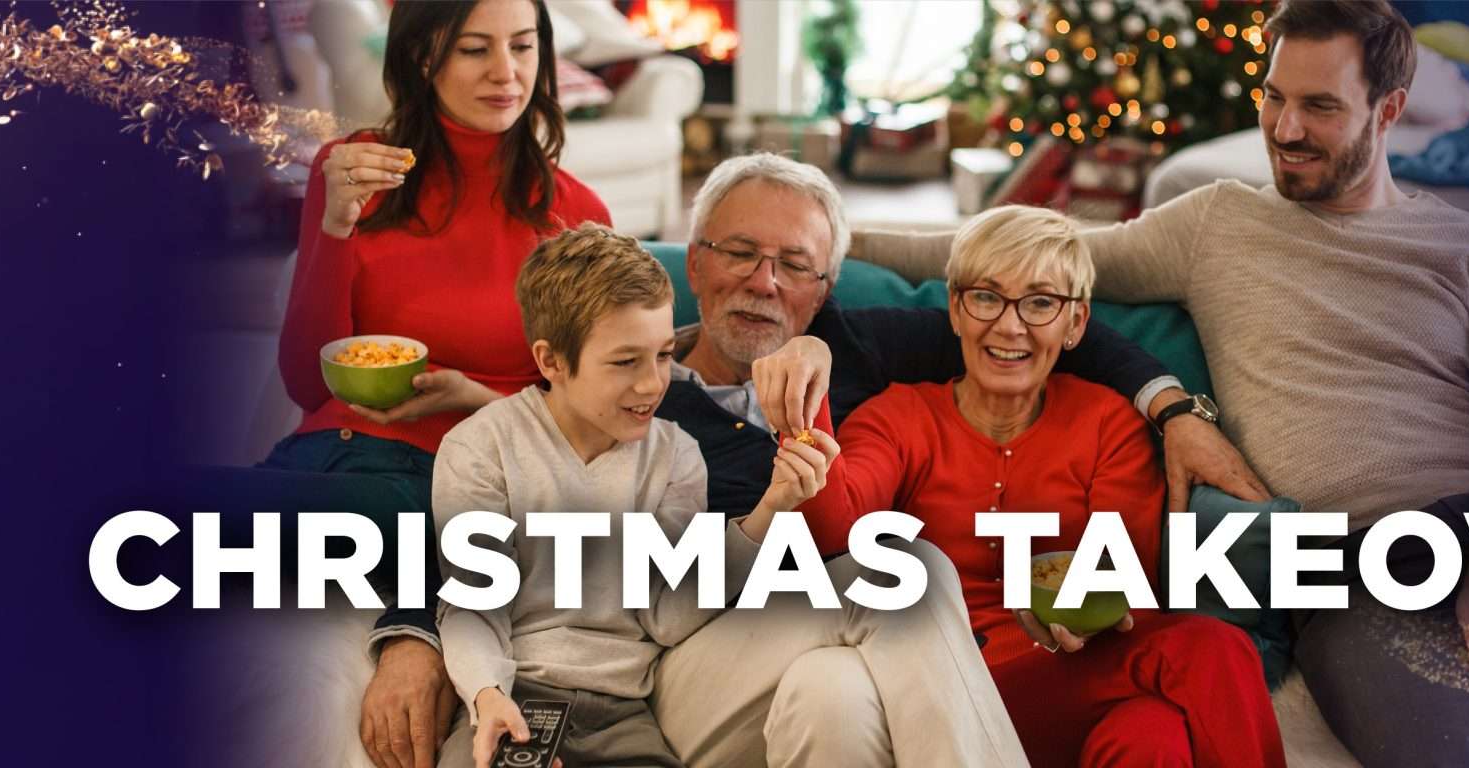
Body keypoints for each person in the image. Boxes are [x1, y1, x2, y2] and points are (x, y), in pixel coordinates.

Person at [849, 3, 1469, 765]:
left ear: (1390, 109)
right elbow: (1018, 262)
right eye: (1273, 97)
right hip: (1356, 573)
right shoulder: (1215, 224)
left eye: (1320, 107)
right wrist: (815, 239)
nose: (1286, 130)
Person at [646, 154, 1262, 765]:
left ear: (824, 293)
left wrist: (1174, 409)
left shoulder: (859, 347)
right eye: (739, 251)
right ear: (693, 263)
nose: (764, 281)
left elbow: (1037, 337)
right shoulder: (633, 394)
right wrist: (806, 420)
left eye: (794, 264)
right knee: (907, 574)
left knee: (1149, 736)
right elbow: (835, 523)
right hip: (709, 643)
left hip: (871, 664)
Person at [436, 224, 1025, 768]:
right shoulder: (480, 449)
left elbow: (665, 615)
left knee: (904, 579)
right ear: (551, 362)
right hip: (510, 698)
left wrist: (769, 510)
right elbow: (469, 608)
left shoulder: (674, 453)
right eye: (625, 362)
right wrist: (487, 696)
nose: (652, 384)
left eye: (664, 355)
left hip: (642, 696)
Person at [203, 2, 603, 766]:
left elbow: (586, 421)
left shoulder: (577, 217)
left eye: (523, 47)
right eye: (475, 50)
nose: (507, 72)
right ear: (424, 58)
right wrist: (336, 228)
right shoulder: (353, 168)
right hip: (334, 468)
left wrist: (475, 400)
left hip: (462, 495)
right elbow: (302, 377)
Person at [802, 206, 1285, 768]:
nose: (1011, 327)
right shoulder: (898, 418)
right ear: (956, 310)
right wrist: (809, 396)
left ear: (1076, 323)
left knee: (1150, 736)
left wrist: (1084, 602)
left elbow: (1124, 578)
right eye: (987, 297)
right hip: (949, 697)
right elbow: (835, 526)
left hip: (1082, 679)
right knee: (1213, 648)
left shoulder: (1108, 421)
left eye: (1040, 303)